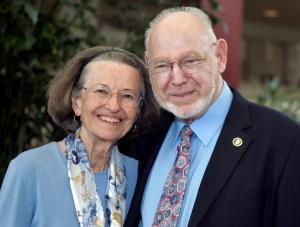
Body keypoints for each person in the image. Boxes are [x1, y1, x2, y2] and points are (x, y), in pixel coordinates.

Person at [121, 7, 300, 227]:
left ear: (220, 56)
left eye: (190, 61)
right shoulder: (141, 138)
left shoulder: (285, 141)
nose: (177, 78)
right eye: (162, 65)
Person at [0, 46, 159, 227]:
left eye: (127, 95)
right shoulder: (28, 170)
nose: (114, 106)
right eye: (101, 91)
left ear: (138, 110)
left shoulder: (138, 174)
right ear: (76, 102)